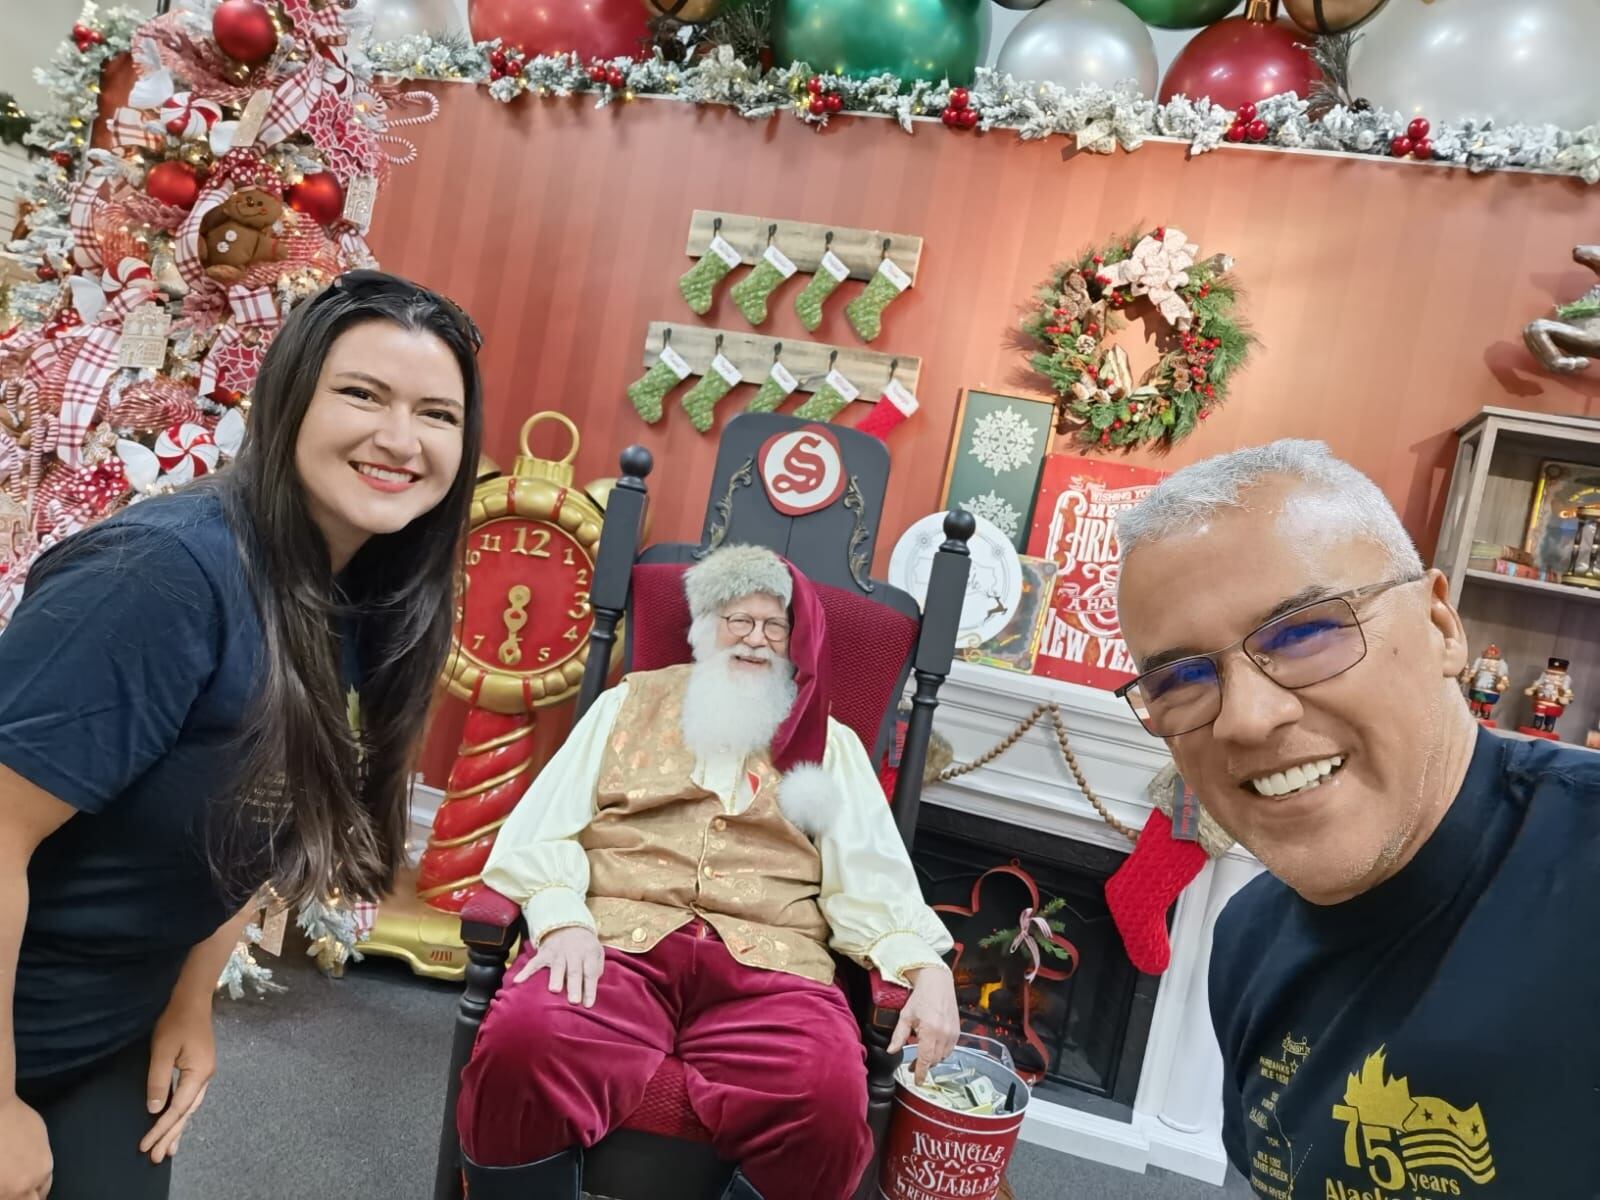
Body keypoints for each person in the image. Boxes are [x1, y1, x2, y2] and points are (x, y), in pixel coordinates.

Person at [0, 271, 484, 1200]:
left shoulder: (348, 591)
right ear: (288, 398)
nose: (400, 439)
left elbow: (270, 799)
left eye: (437, 413)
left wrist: (191, 999)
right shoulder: (164, 577)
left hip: (109, 1027)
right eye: (361, 394)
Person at [1112, 440, 1600, 1198]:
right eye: (1180, 680)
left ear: (1442, 625)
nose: (1246, 719)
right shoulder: (1245, 940)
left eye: (1305, 632)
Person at [455, 544, 959, 1200]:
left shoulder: (828, 746)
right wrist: (560, 918)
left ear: (793, 643)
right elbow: (543, 826)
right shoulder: (626, 706)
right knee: (525, 1040)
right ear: (703, 629)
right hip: (615, 945)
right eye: (737, 621)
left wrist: (926, 967)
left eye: (774, 626)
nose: (755, 640)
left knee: (829, 1094)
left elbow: (870, 877)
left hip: (771, 973)